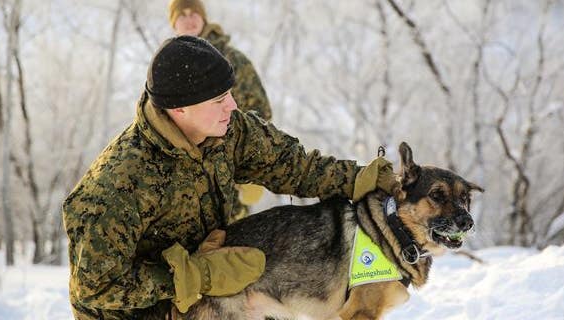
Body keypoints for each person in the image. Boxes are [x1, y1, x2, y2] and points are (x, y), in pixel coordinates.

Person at [63, 36, 400, 319]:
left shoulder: (227, 130)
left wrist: (359, 178)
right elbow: (95, 287)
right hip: (141, 311)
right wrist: (194, 275)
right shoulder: (118, 185)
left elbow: (293, 165)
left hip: (215, 295)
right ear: (180, 109)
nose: (233, 106)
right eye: (220, 99)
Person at [168, 0, 271, 218]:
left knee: (231, 244)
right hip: (184, 177)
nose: (188, 19)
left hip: (229, 173)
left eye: (193, 13)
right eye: (182, 15)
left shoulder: (232, 59)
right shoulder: (167, 65)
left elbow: (260, 110)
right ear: (173, 22)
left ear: (203, 17)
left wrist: (250, 158)